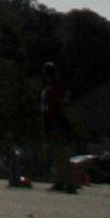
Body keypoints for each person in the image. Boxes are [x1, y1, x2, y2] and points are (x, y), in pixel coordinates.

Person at [42, 62, 76, 192]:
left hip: (55, 122)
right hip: (55, 121)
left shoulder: (53, 89)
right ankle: (62, 181)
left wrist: (52, 123)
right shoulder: (54, 88)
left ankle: (66, 182)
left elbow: (55, 108)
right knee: (60, 155)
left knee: (61, 154)